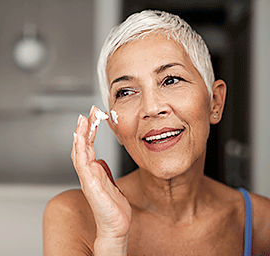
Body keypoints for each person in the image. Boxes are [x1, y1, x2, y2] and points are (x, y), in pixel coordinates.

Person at [43, 10, 270, 255]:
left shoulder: (261, 221)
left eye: (171, 80)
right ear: (115, 127)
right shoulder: (74, 215)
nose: (151, 108)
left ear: (215, 102)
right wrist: (112, 239)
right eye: (126, 92)